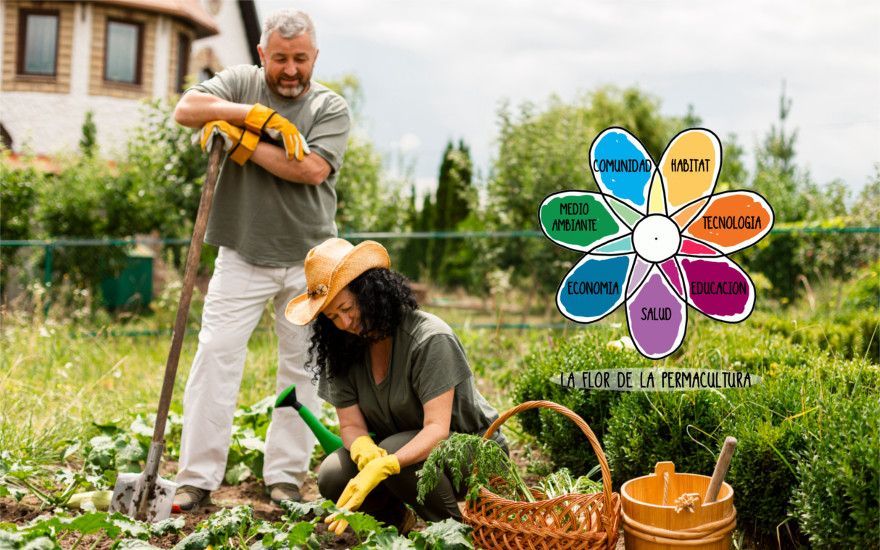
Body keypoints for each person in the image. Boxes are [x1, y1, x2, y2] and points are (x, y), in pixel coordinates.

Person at [170, 8, 351, 511]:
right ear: (261, 54)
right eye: (280, 58)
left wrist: (242, 144)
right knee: (216, 356)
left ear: (315, 56)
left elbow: (312, 169)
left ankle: (285, 476)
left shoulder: (330, 106)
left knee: (302, 369)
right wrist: (252, 115)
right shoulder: (241, 83)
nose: (290, 70)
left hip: (311, 261)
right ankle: (197, 477)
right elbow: (186, 109)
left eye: (300, 59)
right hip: (242, 253)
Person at [284, 238, 508, 534]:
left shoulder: (429, 339)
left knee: (396, 453)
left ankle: (459, 533)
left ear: (369, 292)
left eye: (347, 308)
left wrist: (386, 464)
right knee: (333, 475)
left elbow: (436, 430)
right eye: (332, 316)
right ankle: (397, 523)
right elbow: (350, 425)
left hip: (473, 452)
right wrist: (363, 449)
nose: (344, 322)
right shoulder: (342, 349)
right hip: (402, 450)